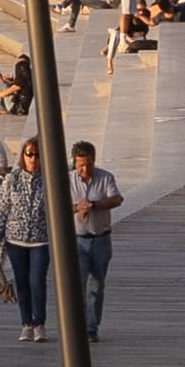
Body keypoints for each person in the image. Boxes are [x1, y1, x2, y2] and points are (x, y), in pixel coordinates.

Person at [0, 136, 57, 337]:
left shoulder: (49, 179)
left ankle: (39, 323)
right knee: (22, 282)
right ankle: (26, 323)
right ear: (23, 156)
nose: (33, 159)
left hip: (41, 240)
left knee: (37, 280)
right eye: (29, 154)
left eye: (37, 155)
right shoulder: (13, 178)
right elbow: (1, 209)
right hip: (15, 240)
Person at [67, 139, 122, 334]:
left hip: (100, 239)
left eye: (89, 164)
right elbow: (56, 205)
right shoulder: (67, 180)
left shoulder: (105, 177)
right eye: (81, 165)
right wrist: (77, 207)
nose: (85, 169)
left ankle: (91, 327)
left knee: (96, 285)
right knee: (78, 282)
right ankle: (77, 326)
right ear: (74, 162)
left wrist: (94, 205)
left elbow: (116, 199)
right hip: (77, 239)